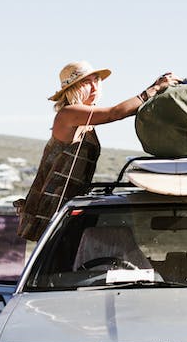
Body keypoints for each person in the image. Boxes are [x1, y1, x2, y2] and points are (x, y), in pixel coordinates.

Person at [16, 61, 177, 241]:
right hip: (54, 203)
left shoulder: (86, 118)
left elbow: (122, 111)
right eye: (86, 82)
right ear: (72, 88)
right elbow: (115, 113)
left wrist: (155, 88)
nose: (94, 86)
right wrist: (153, 89)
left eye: (96, 80)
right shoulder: (68, 113)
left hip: (71, 203)